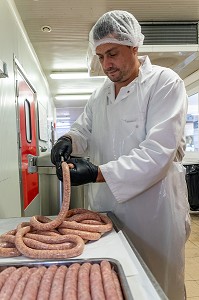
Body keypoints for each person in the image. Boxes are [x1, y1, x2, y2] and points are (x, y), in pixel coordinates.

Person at [51, 10, 191, 300]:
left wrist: (98, 173)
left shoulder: (165, 84)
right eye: (100, 57)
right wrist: (67, 140)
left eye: (112, 53)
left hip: (154, 212)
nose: (106, 64)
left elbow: (158, 152)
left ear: (134, 46)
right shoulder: (101, 94)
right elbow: (84, 129)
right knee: (114, 283)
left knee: (158, 284)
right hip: (105, 208)